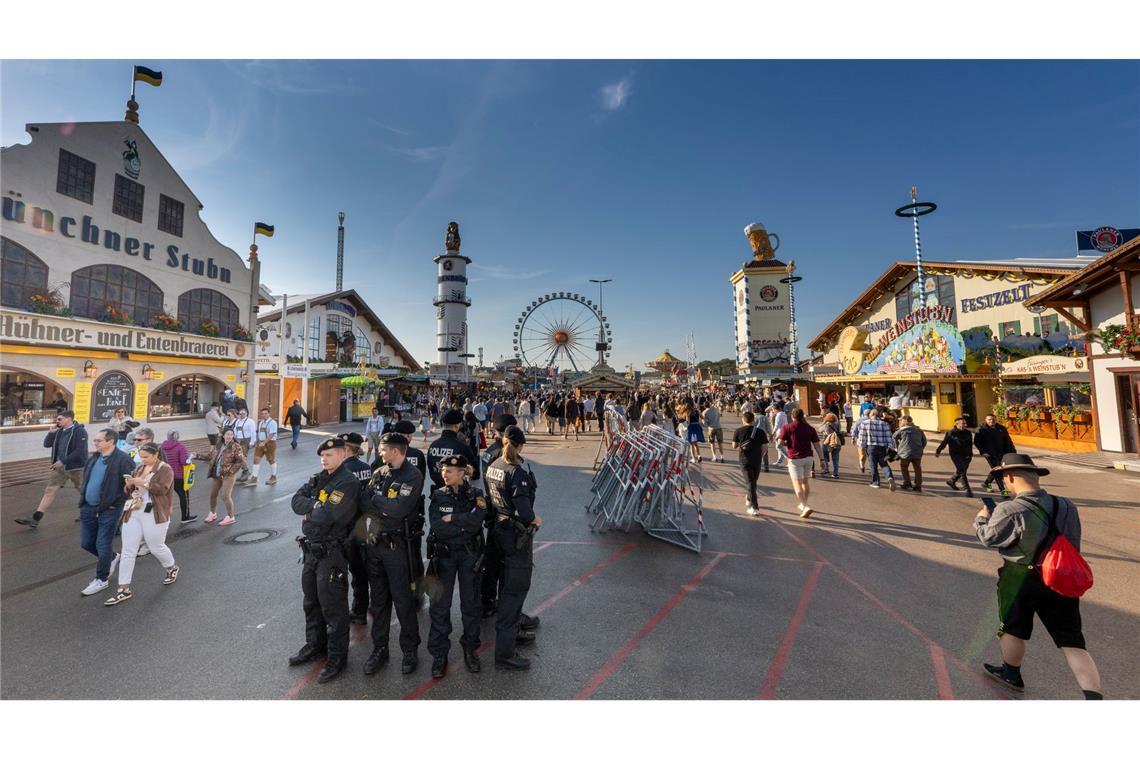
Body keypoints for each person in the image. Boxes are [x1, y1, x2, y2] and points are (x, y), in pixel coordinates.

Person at [974, 453, 1102, 699]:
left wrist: (981, 519)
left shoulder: (1009, 509)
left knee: (1012, 628)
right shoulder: (1066, 505)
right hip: (1059, 576)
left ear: (1010, 477)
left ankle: (1011, 673)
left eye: (1004, 478)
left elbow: (988, 538)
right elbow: (1073, 540)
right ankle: (1094, 697)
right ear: (1035, 476)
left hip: (1019, 577)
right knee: (1072, 641)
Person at [288, 437, 363, 684]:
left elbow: (328, 515)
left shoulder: (347, 482)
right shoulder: (319, 478)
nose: (324, 459)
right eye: (322, 456)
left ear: (343, 454)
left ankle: (337, 657)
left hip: (332, 553)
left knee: (333, 608)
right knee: (311, 602)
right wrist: (314, 505)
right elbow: (296, 501)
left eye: (329, 455)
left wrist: (311, 511)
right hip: (311, 551)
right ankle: (315, 645)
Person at [359, 432, 423, 676]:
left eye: (383, 449)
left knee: (403, 600)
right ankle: (380, 649)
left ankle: (409, 650)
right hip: (376, 544)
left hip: (397, 547)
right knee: (378, 602)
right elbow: (364, 503)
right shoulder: (379, 472)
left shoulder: (412, 475)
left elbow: (400, 509)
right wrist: (382, 504)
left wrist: (378, 502)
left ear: (395, 451)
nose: (379, 452)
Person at [484, 426, 540, 670]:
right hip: (515, 534)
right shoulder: (517, 473)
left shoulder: (494, 465)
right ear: (520, 446)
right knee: (514, 590)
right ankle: (505, 652)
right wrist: (535, 519)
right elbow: (525, 512)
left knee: (504, 583)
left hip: (498, 529)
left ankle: (513, 631)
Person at [425, 454, 486, 676]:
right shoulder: (438, 495)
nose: (444, 474)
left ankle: (470, 649)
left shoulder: (476, 494)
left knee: (471, 604)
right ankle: (439, 655)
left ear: (461, 473)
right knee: (440, 606)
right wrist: (464, 524)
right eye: (443, 470)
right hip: (445, 556)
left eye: (449, 471)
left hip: (469, 555)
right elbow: (437, 526)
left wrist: (455, 519)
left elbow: (478, 520)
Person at [104, 442, 179, 606]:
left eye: (146, 457)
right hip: (134, 510)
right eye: (141, 457)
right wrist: (129, 485)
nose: (143, 460)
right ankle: (123, 589)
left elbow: (162, 489)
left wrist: (143, 482)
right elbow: (128, 491)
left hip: (155, 512)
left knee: (156, 547)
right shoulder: (139, 468)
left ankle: (171, 567)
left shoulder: (165, 469)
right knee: (128, 551)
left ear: (156, 455)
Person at [77, 428, 135, 597]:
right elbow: (87, 480)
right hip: (88, 507)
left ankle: (101, 579)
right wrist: (83, 501)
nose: (95, 443)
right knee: (87, 543)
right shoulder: (94, 458)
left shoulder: (123, 460)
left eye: (99, 440)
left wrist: (115, 504)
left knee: (102, 544)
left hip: (109, 510)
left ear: (111, 442)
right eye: (95, 440)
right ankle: (111, 557)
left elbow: (130, 487)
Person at [16, 410, 89, 529]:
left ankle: (90, 512)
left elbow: (80, 451)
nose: (57, 421)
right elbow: (47, 444)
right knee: (50, 490)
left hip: (76, 467)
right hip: (59, 467)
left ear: (68, 419)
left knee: (82, 490)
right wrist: (51, 433)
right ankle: (35, 518)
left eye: (60, 419)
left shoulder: (80, 431)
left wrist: (63, 461)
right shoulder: (59, 431)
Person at [334, 432, 376, 626]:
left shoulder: (341, 470)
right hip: (363, 524)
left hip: (344, 527)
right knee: (362, 570)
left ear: (346, 449)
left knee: (342, 572)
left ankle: (352, 611)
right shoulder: (366, 468)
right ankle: (364, 608)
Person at [777, 408, 826, 518]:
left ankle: (804, 506)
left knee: (797, 484)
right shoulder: (810, 428)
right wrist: (822, 459)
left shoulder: (787, 427)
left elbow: (780, 443)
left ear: (792, 416)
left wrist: (787, 443)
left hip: (795, 458)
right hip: (808, 458)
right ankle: (804, 503)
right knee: (805, 482)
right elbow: (817, 445)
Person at [427, 409, 480, 489]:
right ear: (456, 426)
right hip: (457, 492)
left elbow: (430, 468)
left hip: (437, 491)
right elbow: (475, 472)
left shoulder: (433, 446)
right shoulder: (462, 447)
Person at [205, 428, 245, 525]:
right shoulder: (219, 445)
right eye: (227, 434)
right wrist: (196, 455)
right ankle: (212, 513)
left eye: (231, 434)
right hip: (217, 473)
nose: (229, 436)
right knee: (213, 494)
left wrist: (230, 471)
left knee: (225, 496)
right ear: (223, 435)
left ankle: (231, 517)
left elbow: (240, 461)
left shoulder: (236, 446)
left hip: (228, 475)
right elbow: (210, 456)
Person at [733, 411, 768, 516]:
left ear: (743, 420)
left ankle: (753, 506)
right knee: (753, 481)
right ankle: (751, 501)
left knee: (750, 482)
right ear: (753, 420)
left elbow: (734, 445)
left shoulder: (738, 431)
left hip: (744, 459)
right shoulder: (760, 431)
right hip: (757, 459)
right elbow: (765, 446)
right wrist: (760, 455)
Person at [159, 431, 197, 523]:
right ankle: (185, 517)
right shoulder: (180, 447)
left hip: (166, 476)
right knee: (183, 496)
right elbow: (185, 462)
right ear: (177, 437)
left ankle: (162, 518)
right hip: (178, 476)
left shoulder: (161, 447)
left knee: (165, 497)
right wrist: (191, 456)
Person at [976, 413, 1017, 495]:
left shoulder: (1001, 428)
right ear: (986, 420)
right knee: (998, 471)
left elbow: (1008, 440)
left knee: (997, 469)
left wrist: (1013, 451)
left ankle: (987, 483)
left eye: (993, 419)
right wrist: (983, 452)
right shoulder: (981, 429)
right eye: (989, 419)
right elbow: (977, 442)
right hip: (989, 454)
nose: (991, 421)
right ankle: (1003, 491)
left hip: (1002, 453)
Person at [936, 417, 975, 497]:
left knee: (961, 471)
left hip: (967, 455)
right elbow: (944, 442)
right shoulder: (951, 433)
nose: (965, 425)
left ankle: (951, 481)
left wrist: (970, 454)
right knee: (962, 471)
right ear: (956, 424)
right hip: (955, 454)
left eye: (965, 423)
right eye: (963, 423)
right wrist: (938, 451)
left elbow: (970, 444)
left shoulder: (968, 433)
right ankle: (967, 490)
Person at [857, 409, 896, 491]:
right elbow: (889, 437)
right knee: (884, 464)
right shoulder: (885, 424)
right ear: (877, 415)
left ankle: (876, 482)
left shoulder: (865, 423)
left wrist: (862, 446)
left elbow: (862, 437)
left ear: (870, 414)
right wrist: (891, 447)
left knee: (873, 465)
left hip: (871, 447)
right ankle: (889, 477)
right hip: (882, 447)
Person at [892, 415, 928, 492]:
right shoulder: (919, 430)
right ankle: (918, 485)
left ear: (904, 421)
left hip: (905, 453)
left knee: (904, 467)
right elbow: (924, 441)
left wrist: (897, 448)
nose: (900, 422)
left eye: (901, 420)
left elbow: (894, 437)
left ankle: (907, 482)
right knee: (917, 468)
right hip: (917, 452)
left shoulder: (901, 430)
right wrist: (920, 448)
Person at [249, 408, 280, 486]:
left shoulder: (273, 422)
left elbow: (271, 434)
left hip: (270, 443)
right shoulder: (261, 422)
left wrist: (264, 442)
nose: (264, 415)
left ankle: (274, 477)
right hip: (261, 443)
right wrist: (257, 441)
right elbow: (259, 433)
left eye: (266, 413)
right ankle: (254, 478)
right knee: (256, 459)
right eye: (262, 414)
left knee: (271, 460)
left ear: (269, 414)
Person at [816, 412, 844, 479]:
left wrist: (823, 422)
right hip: (836, 442)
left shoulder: (826, 425)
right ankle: (835, 473)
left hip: (827, 442)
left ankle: (826, 470)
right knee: (835, 458)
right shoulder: (837, 424)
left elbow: (819, 429)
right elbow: (839, 430)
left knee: (824, 456)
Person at [233, 409, 256, 483]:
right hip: (238, 441)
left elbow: (253, 432)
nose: (241, 415)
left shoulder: (250, 421)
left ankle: (246, 471)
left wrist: (252, 442)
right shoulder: (238, 421)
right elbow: (235, 430)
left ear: (246, 414)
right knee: (238, 457)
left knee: (242, 457)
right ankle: (245, 472)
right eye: (240, 413)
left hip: (246, 441)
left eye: (243, 413)